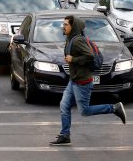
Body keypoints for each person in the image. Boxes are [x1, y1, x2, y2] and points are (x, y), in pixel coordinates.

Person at [49, 15, 126, 146]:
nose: (63, 26)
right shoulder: (70, 39)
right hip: (73, 80)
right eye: (63, 24)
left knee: (84, 111)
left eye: (66, 24)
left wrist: (73, 60)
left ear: (73, 27)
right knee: (64, 105)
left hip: (82, 82)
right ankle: (65, 135)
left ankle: (114, 108)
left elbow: (89, 56)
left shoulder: (78, 40)